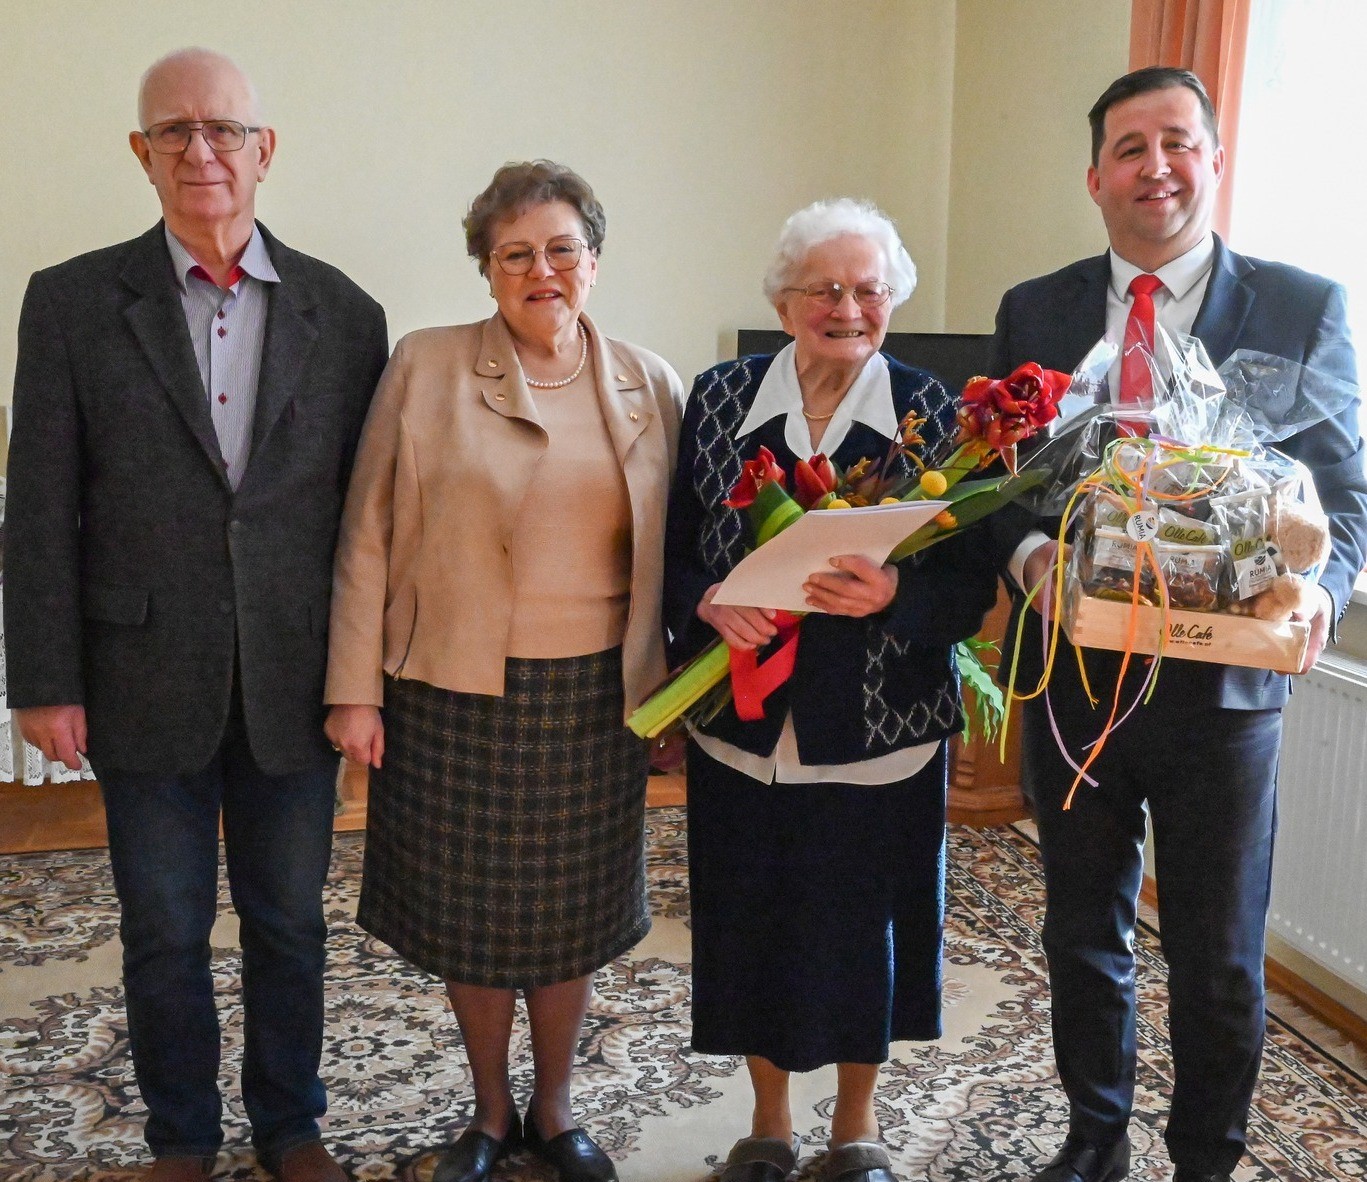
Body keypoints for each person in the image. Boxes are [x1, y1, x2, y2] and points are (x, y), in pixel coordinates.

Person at [4, 48, 389, 1182]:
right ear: (142, 153)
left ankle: (290, 1125)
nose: (200, 150)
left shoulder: (345, 313)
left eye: (222, 129)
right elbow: (39, 509)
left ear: (265, 150)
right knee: (163, 931)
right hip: (140, 673)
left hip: (292, 677)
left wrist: (362, 677)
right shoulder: (70, 302)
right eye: (173, 131)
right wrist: (43, 680)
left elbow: (366, 520)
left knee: (290, 924)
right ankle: (182, 1136)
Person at [989, 67, 1367, 1182]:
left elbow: (1344, 499)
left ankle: (1205, 1157)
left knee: (1216, 953)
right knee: (1080, 933)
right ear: (1094, 177)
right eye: (1128, 148)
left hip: (1223, 692)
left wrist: (1319, 592)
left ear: (1211, 160)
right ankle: (1093, 1140)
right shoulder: (1034, 310)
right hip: (1071, 674)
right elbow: (997, 486)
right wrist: (1028, 558)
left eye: (1175, 143)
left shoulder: (1301, 306)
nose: (1154, 167)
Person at [324, 160, 682, 1182]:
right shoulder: (425, 366)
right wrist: (353, 689)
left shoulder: (650, 383)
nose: (541, 271)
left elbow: (686, 551)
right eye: (514, 253)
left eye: (561, 249)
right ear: (485, 269)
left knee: (573, 919)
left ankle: (555, 1110)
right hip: (452, 691)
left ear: (594, 262)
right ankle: (487, 1114)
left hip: (596, 699)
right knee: (471, 921)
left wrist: (676, 695)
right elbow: (365, 534)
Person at [663, 199, 998, 1182]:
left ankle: (855, 1129)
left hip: (879, 728)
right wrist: (704, 601)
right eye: (824, 289)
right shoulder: (719, 399)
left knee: (865, 935)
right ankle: (767, 1125)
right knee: (749, 927)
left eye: (868, 290)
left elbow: (968, 588)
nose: (847, 309)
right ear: (782, 301)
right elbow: (672, 553)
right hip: (742, 727)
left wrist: (894, 596)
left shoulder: (935, 418)